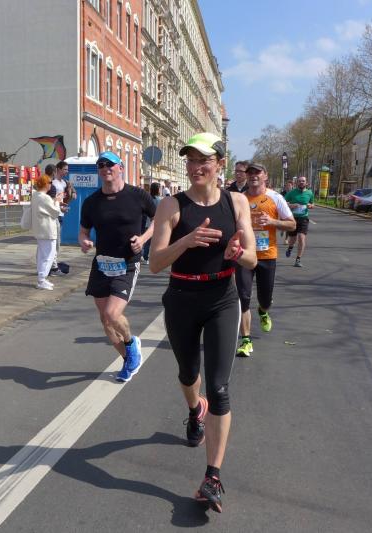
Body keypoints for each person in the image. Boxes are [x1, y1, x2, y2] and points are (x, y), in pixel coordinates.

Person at [149, 132, 256, 513]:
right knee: (187, 373)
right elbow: (155, 262)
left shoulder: (236, 202)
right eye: (191, 160)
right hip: (182, 297)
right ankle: (196, 409)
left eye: (203, 160)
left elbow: (252, 259)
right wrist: (186, 241)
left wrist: (237, 252)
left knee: (219, 388)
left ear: (219, 164)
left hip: (222, 298)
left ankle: (213, 477)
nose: (196, 167)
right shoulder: (171, 205)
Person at [79, 151, 157, 382]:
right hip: (102, 264)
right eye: (101, 165)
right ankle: (128, 359)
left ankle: (131, 343)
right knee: (105, 320)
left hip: (127, 263)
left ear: (120, 167)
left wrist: (143, 239)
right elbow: (83, 231)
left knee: (112, 314)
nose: (105, 168)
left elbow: (158, 219)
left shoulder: (137, 195)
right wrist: (84, 241)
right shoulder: (92, 202)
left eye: (110, 164)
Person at [235, 163, 296, 358]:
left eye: (257, 173)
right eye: (250, 173)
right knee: (243, 297)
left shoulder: (275, 198)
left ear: (265, 176)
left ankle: (263, 311)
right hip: (244, 255)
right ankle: (246, 340)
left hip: (267, 255)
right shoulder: (239, 198)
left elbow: (292, 224)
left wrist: (272, 222)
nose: (253, 176)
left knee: (265, 299)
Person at [32, 174, 63, 290]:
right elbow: (55, 212)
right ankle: (42, 279)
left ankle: (42, 279)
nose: (51, 185)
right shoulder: (45, 197)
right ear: (45, 184)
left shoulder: (35, 195)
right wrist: (58, 201)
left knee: (42, 255)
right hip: (48, 230)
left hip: (40, 229)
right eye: (50, 183)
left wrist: (54, 201)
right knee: (48, 255)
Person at [284, 175, 314, 267]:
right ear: (297, 183)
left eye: (303, 181)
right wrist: (291, 205)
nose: (301, 182)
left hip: (304, 218)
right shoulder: (292, 193)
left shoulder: (309, 193)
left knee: (301, 238)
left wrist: (311, 206)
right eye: (300, 181)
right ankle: (290, 247)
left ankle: (298, 259)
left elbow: (312, 203)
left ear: (306, 183)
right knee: (292, 239)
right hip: (293, 218)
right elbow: (283, 202)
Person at [141, 181, 162, 265]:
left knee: (147, 242)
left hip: (147, 223)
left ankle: (145, 257)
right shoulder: (159, 200)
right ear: (158, 190)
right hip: (157, 224)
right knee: (157, 242)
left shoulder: (147, 198)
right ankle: (155, 257)